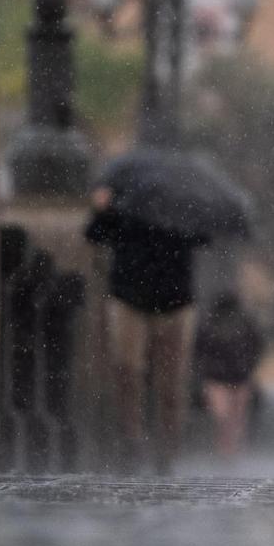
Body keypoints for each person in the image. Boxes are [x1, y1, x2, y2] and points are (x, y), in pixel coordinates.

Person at [85, 194, 200, 475]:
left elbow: (202, 238)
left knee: (167, 379)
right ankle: (133, 439)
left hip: (171, 300)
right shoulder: (124, 200)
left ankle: (165, 446)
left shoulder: (180, 205)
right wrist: (103, 211)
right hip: (133, 297)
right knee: (129, 372)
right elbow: (95, 234)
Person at [194, 293, 265, 457]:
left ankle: (228, 452)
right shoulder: (245, 324)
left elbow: (199, 351)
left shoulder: (210, 325)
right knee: (229, 418)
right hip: (228, 378)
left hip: (230, 378)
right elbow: (257, 347)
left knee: (228, 418)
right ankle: (228, 451)